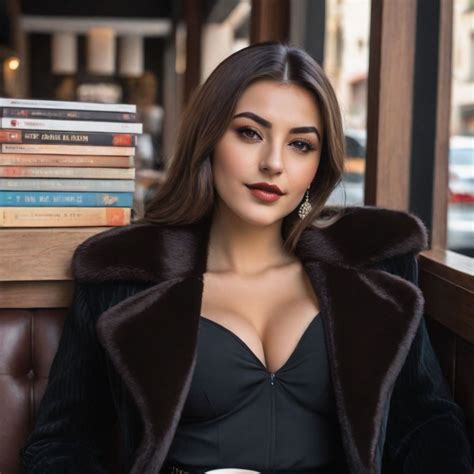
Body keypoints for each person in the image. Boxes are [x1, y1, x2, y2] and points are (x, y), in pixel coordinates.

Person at [19, 42, 472, 474]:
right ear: (209, 138)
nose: (274, 163)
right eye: (250, 133)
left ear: (319, 165)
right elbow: (62, 443)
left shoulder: (373, 267)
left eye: (301, 144)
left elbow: (425, 421)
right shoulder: (125, 276)